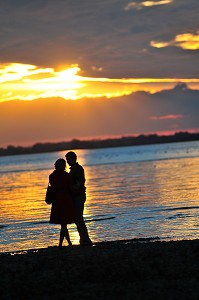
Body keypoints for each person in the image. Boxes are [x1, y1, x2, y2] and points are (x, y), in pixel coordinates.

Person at [65, 151, 92, 246]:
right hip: (76, 196)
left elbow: (79, 183)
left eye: (68, 159)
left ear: (74, 159)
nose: (67, 161)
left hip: (79, 196)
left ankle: (85, 240)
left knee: (79, 218)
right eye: (67, 159)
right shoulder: (73, 169)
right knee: (78, 219)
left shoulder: (78, 169)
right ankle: (83, 239)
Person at [48, 158, 76, 248]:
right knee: (64, 224)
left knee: (63, 225)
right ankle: (64, 243)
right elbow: (70, 187)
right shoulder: (66, 176)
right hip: (65, 201)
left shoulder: (52, 176)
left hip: (57, 201)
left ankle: (65, 243)